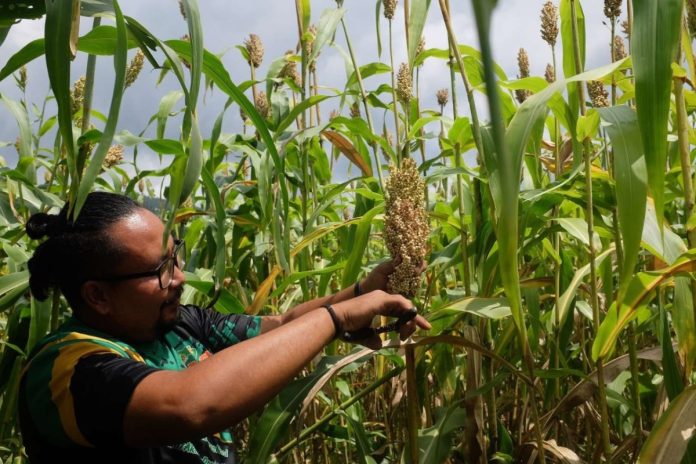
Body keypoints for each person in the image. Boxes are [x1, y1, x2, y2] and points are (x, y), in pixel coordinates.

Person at [19, 192, 430, 463]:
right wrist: (337, 318)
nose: (180, 277)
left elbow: (282, 327)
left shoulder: (181, 322)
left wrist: (361, 292)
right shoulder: (69, 368)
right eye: (161, 269)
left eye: (175, 255)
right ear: (98, 297)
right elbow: (188, 406)